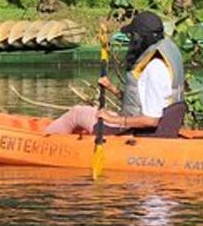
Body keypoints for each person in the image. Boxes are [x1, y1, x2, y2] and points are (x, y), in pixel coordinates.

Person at [44, 10, 185, 136]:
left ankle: (43, 140)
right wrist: (112, 88)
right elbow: (141, 103)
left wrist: (115, 119)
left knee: (77, 113)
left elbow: (152, 120)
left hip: (141, 133)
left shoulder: (154, 68)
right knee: (94, 112)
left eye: (132, 37)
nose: (130, 42)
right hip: (159, 128)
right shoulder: (163, 56)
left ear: (139, 39)